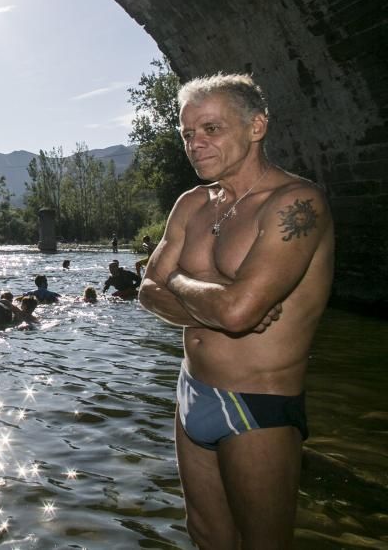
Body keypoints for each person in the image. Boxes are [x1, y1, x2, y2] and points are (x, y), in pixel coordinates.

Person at [137, 73, 334, 548]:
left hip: (257, 404)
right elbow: (147, 289)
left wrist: (179, 281)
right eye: (187, 133)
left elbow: (238, 311)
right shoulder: (192, 204)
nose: (195, 143)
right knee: (206, 536)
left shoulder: (296, 204)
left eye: (211, 129)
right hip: (192, 392)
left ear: (256, 126)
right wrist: (213, 305)